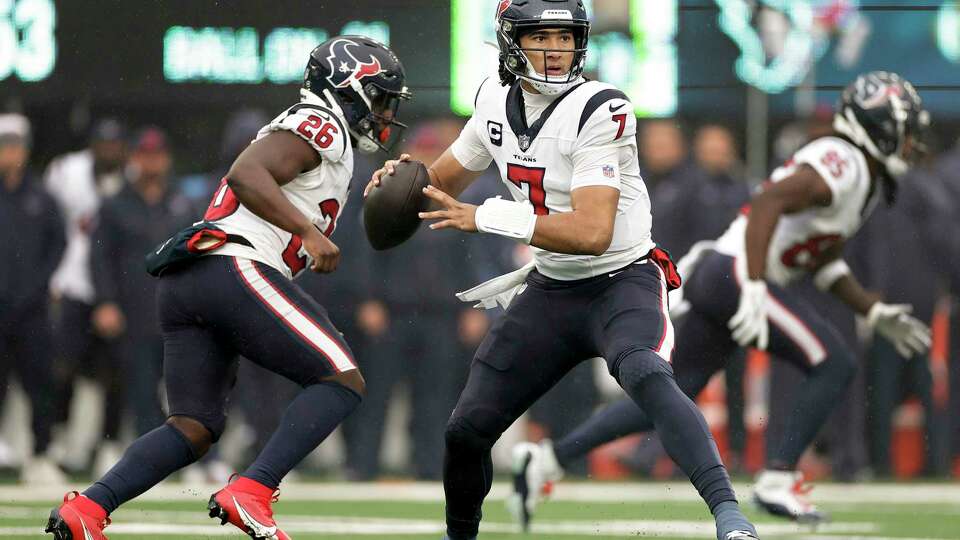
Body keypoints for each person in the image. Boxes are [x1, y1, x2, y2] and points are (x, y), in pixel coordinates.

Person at [369, 2, 758, 539]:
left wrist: (487, 216)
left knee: (645, 372)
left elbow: (592, 231)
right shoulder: (491, 101)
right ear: (510, 40)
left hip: (621, 278)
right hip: (552, 290)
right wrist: (399, 181)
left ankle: (729, 516)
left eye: (564, 34)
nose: (555, 47)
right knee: (465, 430)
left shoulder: (600, 107)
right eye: (540, 34)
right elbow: (438, 186)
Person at [509, 71, 933, 523]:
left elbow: (819, 258)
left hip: (726, 274)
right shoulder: (843, 162)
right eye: (904, 132)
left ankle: (547, 459)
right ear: (878, 129)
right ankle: (778, 479)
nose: (912, 142)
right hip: (735, 274)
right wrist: (751, 281)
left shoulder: (860, 176)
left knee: (670, 394)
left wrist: (871, 308)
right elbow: (769, 201)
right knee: (834, 360)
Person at [44, 35, 410, 540]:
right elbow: (246, 173)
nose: (386, 115)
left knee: (193, 427)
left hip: (193, 280)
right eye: (381, 99)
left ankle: (88, 508)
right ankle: (254, 489)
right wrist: (306, 232)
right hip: (233, 266)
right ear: (349, 89)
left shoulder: (331, 142)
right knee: (340, 380)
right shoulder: (320, 121)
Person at [90, 127, 197, 438]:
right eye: (145, 156)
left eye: (157, 156)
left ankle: (197, 458)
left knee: (188, 389)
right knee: (141, 391)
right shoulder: (114, 205)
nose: (151, 163)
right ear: (134, 158)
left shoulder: (183, 202)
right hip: (134, 310)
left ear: (167, 159)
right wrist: (105, 302)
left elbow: (198, 255)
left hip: (179, 312)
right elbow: (100, 258)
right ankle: (152, 463)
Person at [44, 119, 128, 475]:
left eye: (114, 145)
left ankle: (107, 445)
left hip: (117, 286)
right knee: (64, 367)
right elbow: (49, 225)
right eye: (102, 144)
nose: (108, 151)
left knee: (117, 372)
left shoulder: (133, 175)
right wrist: (52, 277)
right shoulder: (66, 171)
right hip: (74, 281)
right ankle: (57, 442)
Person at [0, 113, 66, 484]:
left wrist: (38, 285)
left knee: (40, 383)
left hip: (32, 311)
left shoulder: (42, 196)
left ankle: (40, 454)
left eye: (15, 147)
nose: (10, 154)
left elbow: (59, 244)